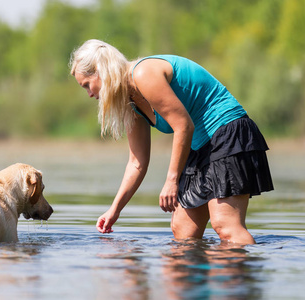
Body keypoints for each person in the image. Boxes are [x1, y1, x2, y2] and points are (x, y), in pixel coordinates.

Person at [69, 39, 273, 244]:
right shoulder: (130, 102)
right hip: (199, 147)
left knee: (226, 227)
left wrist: (171, 180)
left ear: (101, 71)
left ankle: (246, 272)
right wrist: (114, 210)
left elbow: (184, 126)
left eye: (87, 85)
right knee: (183, 231)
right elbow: (136, 162)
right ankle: (206, 274)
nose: (89, 94)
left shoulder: (143, 74)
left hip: (228, 133)